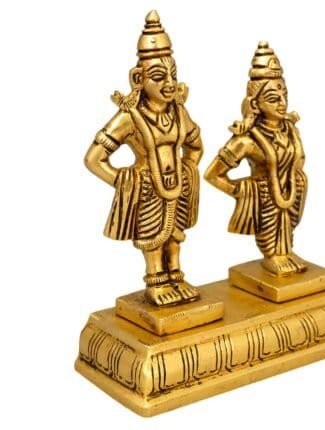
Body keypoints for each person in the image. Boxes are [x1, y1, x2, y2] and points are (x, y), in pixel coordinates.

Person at [84, 11, 203, 306]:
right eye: (159, 77)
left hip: (177, 185)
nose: (169, 84)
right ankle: (156, 281)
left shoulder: (179, 112)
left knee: (175, 235)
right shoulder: (129, 117)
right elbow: (94, 159)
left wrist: (188, 168)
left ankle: (176, 276)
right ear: (138, 78)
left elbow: (196, 145)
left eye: (173, 75)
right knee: (152, 238)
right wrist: (128, 181)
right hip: (148, 186)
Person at [205, 41, 307, 276]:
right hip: (265, 198)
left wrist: (293, 176)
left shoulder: (291, 131)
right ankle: (273, 254)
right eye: (273, 98)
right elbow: (212, 174)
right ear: (255, 103)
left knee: (287, 222)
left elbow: (299, 162)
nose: (282, 103)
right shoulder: (246, 140)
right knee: (271, 223)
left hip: (289, 194)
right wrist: (244, 191)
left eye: (284, 95)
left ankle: (286, 251)